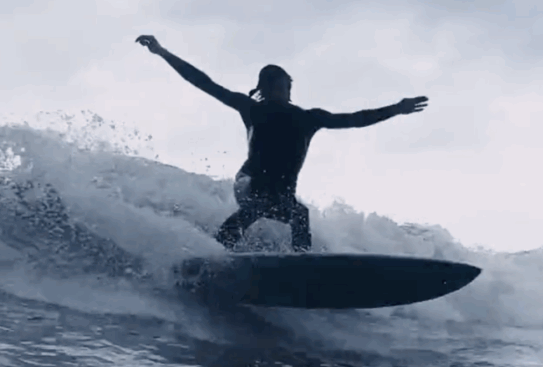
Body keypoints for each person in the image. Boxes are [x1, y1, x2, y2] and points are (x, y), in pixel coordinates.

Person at [135, 35, 427, 252]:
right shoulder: (252, 108)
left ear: (288, 87)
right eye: (274, 85)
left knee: (299, 213)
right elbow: (203, 82)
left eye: (284, 84)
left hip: (281, 192)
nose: (281, 89)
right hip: (248, 183)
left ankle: (301, 262)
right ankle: (215, 252)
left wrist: (395, 109)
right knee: (259, 205)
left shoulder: (309, 118)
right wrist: (162, 52)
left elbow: (355, 119)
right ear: (264, 88)